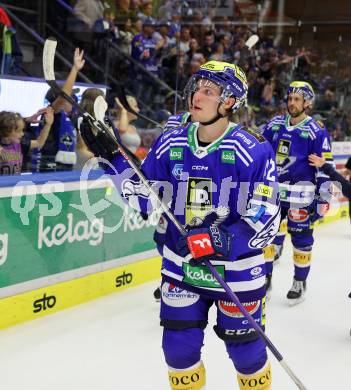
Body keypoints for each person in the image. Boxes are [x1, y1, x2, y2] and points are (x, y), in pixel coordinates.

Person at [82, 60, 280, 389]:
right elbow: (144, 198)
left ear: (230, 101)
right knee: (177, 351)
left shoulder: (253, 149)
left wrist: (221, 241)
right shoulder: (171, 142)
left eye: (208, 91)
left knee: (246, 354)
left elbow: (265, 218)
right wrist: (111, 158)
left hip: (236, 272)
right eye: (195, 88)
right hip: (180, 266)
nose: (196, 97)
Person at [262, 81, 334, 305]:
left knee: (301, 241)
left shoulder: (316, 131)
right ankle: (265, 279)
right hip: (273, 194)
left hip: (300, 197)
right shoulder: (274, 124)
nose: (291, 103)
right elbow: (260, 152)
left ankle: (299, 282)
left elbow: (324, 166)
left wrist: (323, 197)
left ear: (307, 103)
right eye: (290, 98)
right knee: (267, 238)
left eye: (297, 99)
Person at [0, 108, 54, 175]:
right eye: (18, 131)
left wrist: (48, 125)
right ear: (6, 131)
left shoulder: (20, 144)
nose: (22, 134)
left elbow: (39, 143)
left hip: (14, 184)